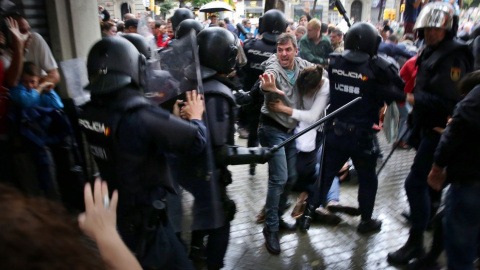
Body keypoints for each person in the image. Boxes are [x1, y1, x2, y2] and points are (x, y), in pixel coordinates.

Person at [79, 36, 207, 269]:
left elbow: (130, 145)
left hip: (115, 216)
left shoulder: (88, 111)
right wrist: (196, 117)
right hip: (146, 225)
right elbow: (196, 142)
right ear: (134, 67)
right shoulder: (139, 114)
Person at [297, 22, 407, 234]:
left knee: (326, 176)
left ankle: (306, 217)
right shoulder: (377, 68)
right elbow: (397, 86)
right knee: (368, 180)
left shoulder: (336, 61)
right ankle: (366, 221)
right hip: (362, 136)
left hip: (336, 131)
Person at [387, 2, 473, 265]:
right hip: (425, 128)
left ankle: (416, 243)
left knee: (416, 184)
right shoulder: (430, 50)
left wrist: (409, 98)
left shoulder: (455, 55)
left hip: (440, 132)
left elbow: (449, 101)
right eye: (428, 28)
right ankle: (431, 253)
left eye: (438, 28)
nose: (432, 32)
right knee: (433, 194)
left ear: (448, 28)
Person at [258, 33, 313, 255]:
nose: (283, 54)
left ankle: (277, 217)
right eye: (280, 50)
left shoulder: (303, 65)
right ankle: (270, 228)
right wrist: (268, 88)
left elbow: (319, 75)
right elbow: (267, 76)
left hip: (291, 130)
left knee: (291, 177)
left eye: (288, 49)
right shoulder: (272, 65)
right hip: (271, 128)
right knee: (279, 178)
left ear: (296, 50)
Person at [427, 71, 480, 270]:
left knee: (460, 249)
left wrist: (437, 167)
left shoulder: (474, 100)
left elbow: (455, 134)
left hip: (470, 185)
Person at [239, 9, 287, 176]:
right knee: (274, 138)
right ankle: (273, 172)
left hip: (252, 101)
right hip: (274, 103)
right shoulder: (284, 52)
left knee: (253, 134)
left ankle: (251, 164)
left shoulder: (250, 46)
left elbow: (241, 70)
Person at [10, 13, 60, 87]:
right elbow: (11, 83)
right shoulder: (4, 56)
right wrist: (19, 48)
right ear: (9, 35)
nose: (29, 35)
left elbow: (55, 76)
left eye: (28, 30)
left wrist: (36, 91)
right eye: (23, 31)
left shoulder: (35, 39)